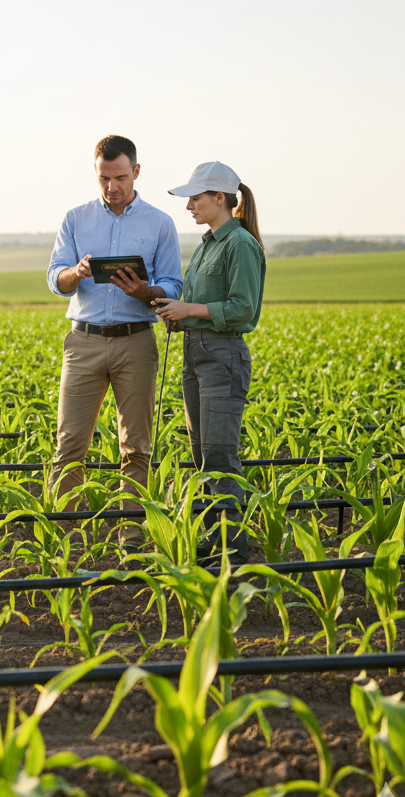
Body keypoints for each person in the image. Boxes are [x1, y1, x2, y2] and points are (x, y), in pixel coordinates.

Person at [47, 134, 183, 546]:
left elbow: (173, 287)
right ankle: (63, 537)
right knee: (70, 442)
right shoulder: (75, 218)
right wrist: (77, 272)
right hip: (84, 340)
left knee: (136, 445)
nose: (112, 186)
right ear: (97, 173)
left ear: (136, 172)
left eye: (120, 176)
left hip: (135, 341)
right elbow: (55, 279)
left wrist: (144, 290)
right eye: (104, 178)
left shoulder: (160, 224)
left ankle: (131, 536)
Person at [154, 161, 266, 564]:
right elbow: (200, 305)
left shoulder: (240, 244)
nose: (189, 207)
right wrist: (176, 313)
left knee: (220, 454)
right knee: (202, 454)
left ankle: (233, 548)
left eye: (195, 198)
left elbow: (242, 309)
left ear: (220, 199)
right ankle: (211, 539)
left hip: (222, 355)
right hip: (196, 353)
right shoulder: (208, 243)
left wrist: (188, 308)